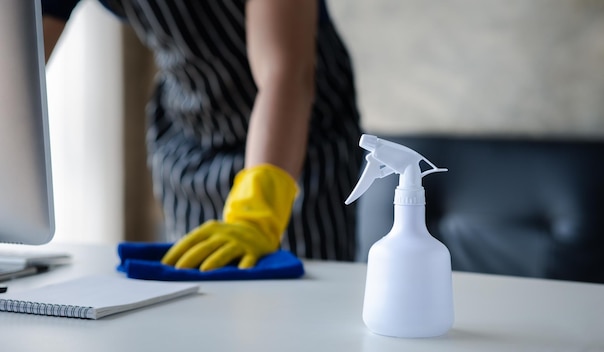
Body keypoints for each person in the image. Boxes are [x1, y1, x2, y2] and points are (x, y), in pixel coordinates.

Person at [42, 0, 363, 270]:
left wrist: (258, 213)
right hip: (190, 136)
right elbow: (18, 73)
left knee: (292, 313)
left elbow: (285, 71)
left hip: (296, 144)